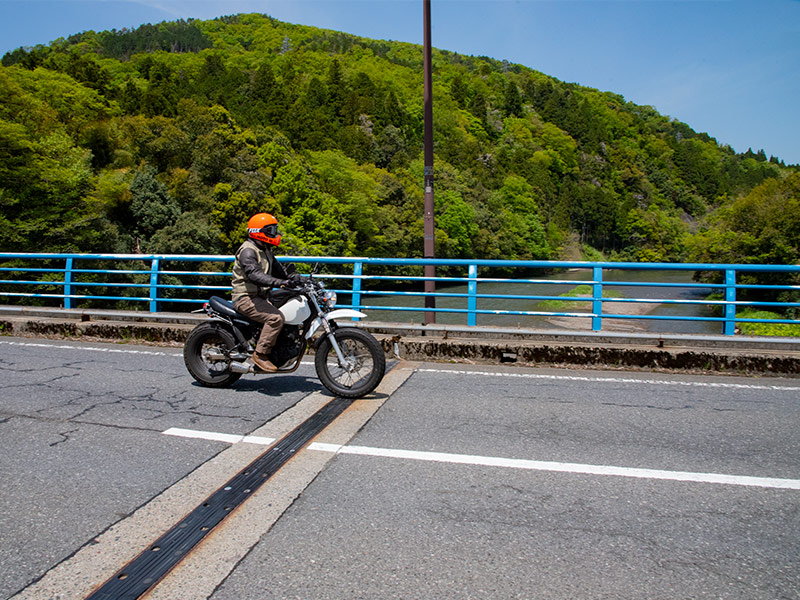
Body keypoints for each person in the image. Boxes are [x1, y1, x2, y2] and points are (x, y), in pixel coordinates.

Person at [231, 212, 299, 372]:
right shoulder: (248, 251)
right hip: (245, 298)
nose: (275, 234)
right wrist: (281, 283)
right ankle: (260, 355)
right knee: (275, 318)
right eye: (271, 230)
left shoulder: (265, 250)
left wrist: (297, 279)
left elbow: (279, 271)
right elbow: (254, 274)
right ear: (258, 231)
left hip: (260, 297)